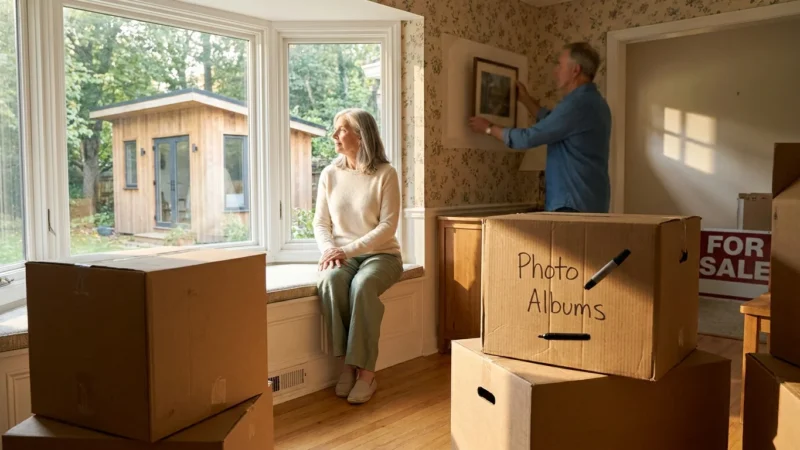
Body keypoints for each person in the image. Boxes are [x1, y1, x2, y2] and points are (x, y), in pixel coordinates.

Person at [313, 108, 403, 405]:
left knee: (362, 286)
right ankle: (348, 366)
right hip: (342, 254)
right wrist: (329, 250)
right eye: (336, 129)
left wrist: (347, 249)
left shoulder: (386, 174)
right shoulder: (330, 173)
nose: (334, 135)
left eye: (341, 130)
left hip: (382, 255)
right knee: (331, 280)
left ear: (361, 136)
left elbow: (388, 227)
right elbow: (321, 222)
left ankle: (366, 374)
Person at [469, 42, 612, 213]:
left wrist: (488, 128)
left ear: (575, 70)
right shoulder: (597, 103)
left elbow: (528, 138)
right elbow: (554, 123)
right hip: (591, 202)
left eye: (560, 65)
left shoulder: (576, 105)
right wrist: (526, 100)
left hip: (571, 205)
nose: (555, 71)